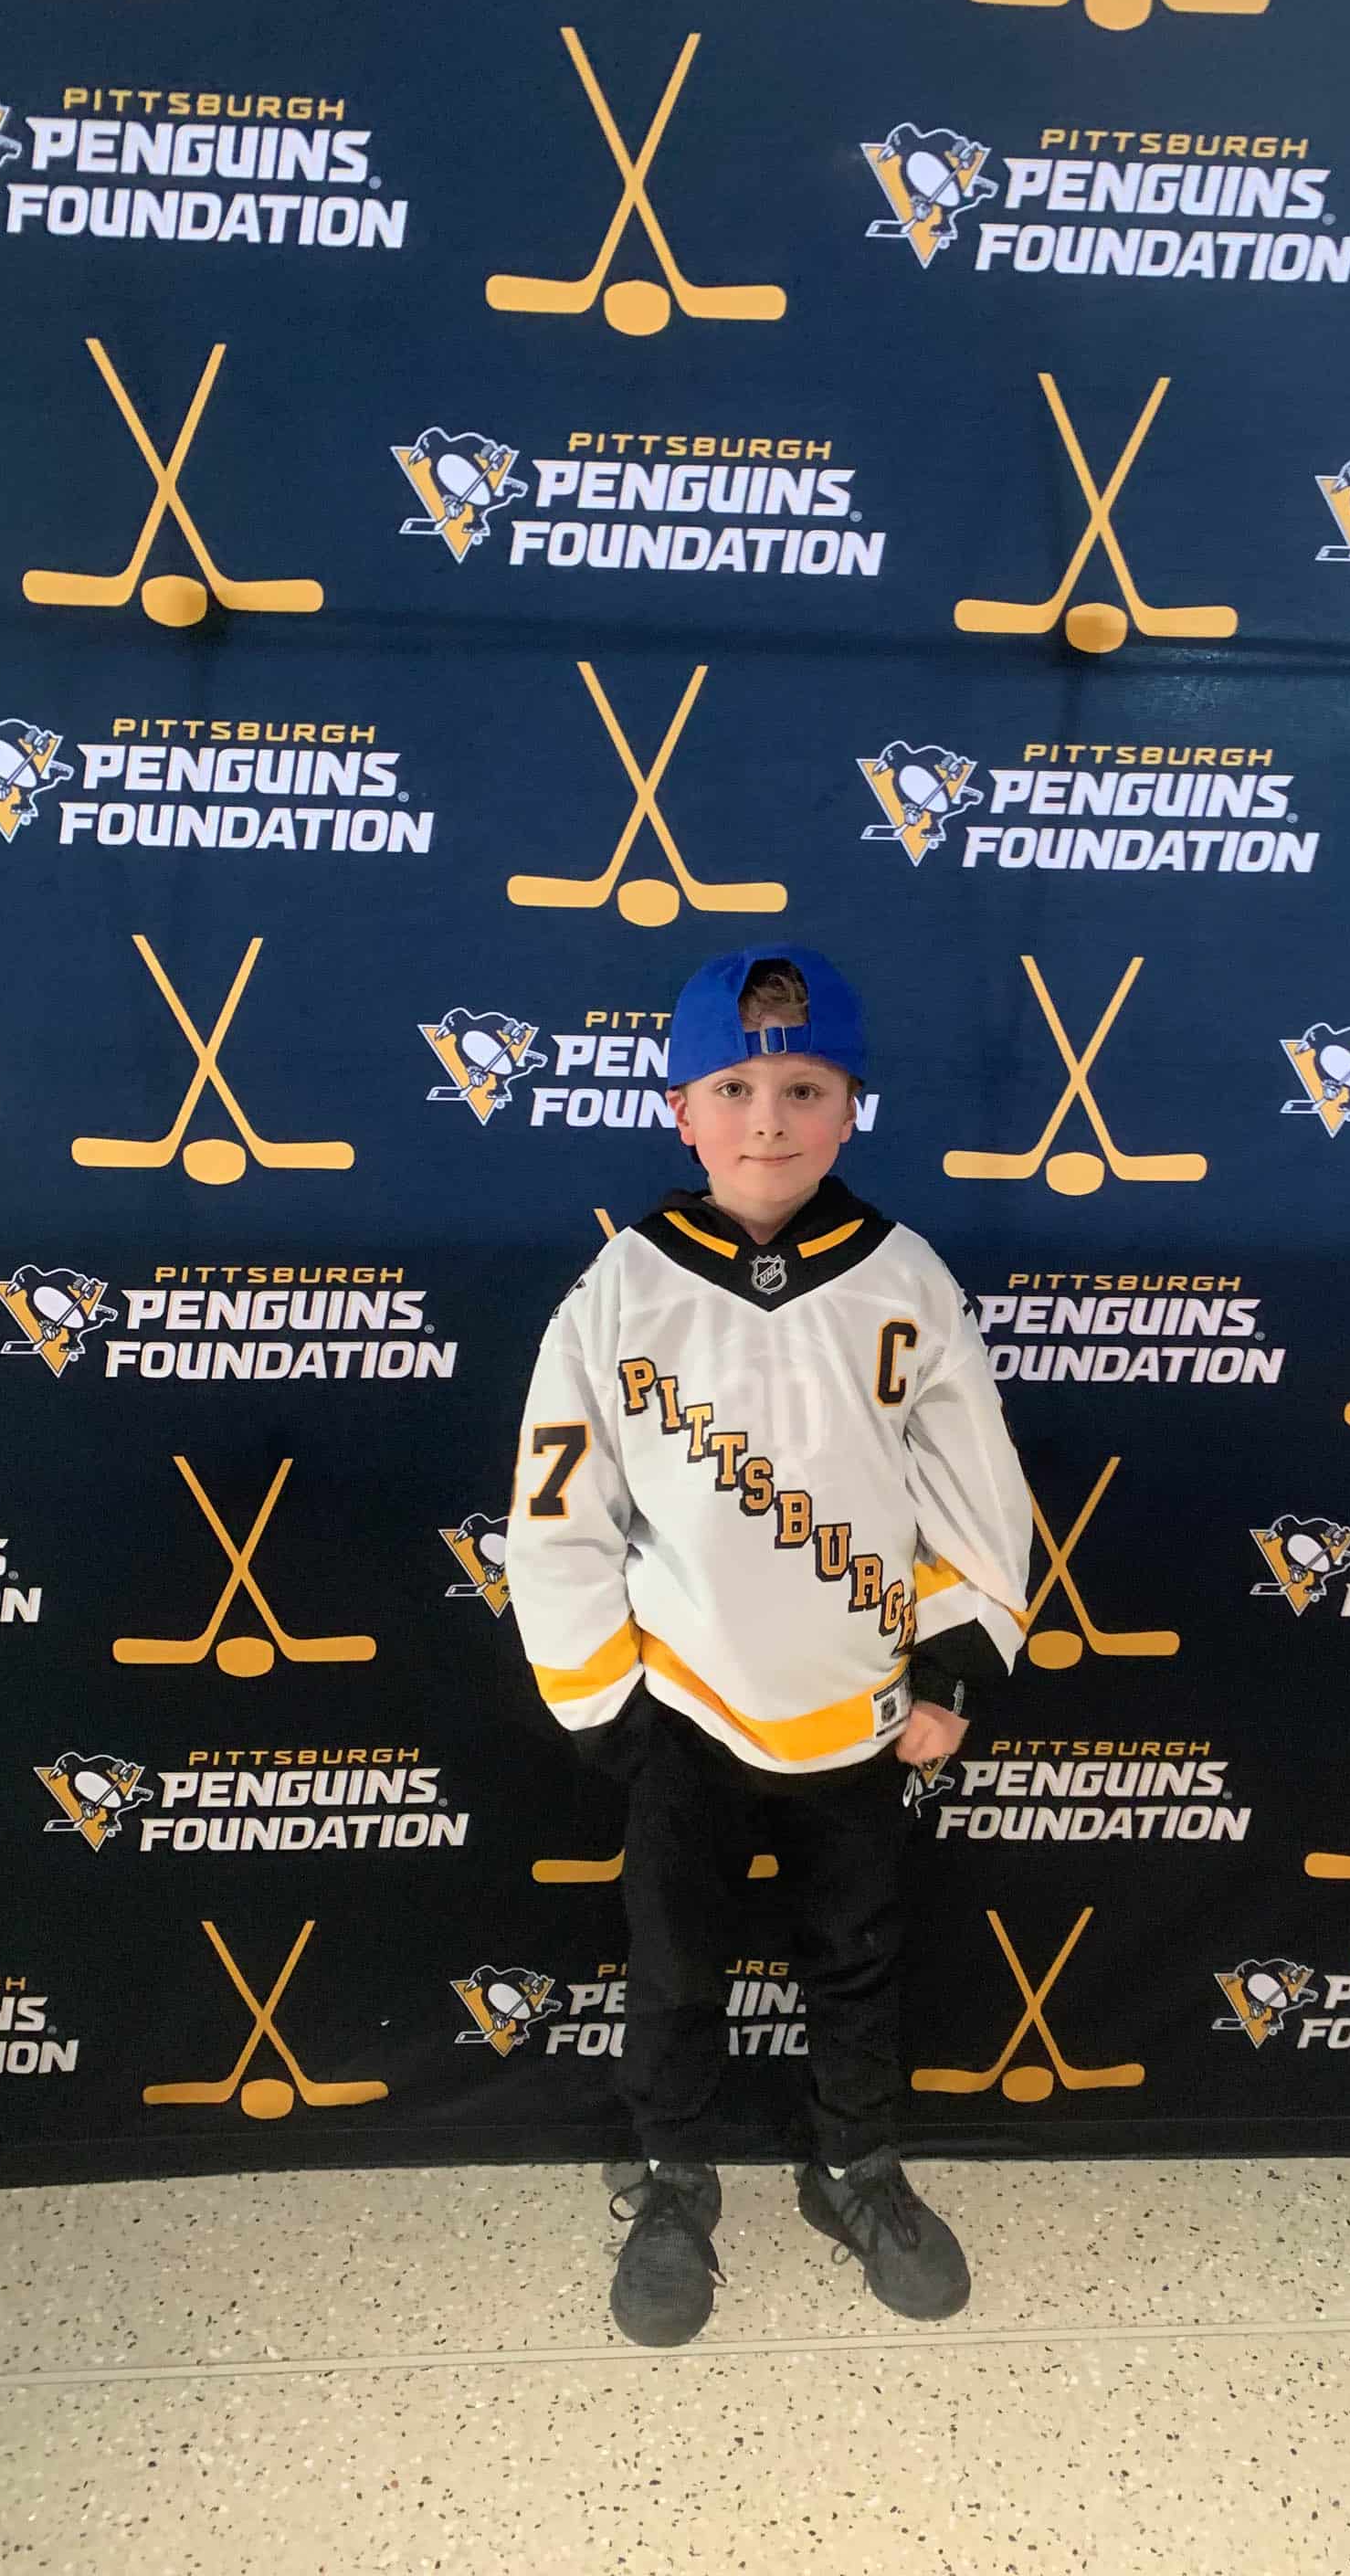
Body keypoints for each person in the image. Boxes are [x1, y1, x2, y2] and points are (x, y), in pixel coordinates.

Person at [502, 945, 1032, 2347]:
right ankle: (673, 2179)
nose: (769, 1121)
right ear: (680, 1109)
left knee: (854, 1956)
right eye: (734, 1090)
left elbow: (973, 1488)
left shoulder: (904, 1279)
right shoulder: (622, 1290)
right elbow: (557, 1507)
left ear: (853, 1105)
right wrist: (600, 1695)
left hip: (860, 1706)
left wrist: (952, 1665)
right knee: (675, 1966)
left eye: (804, 1088)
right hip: (684, 1704)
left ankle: (853, 2164)